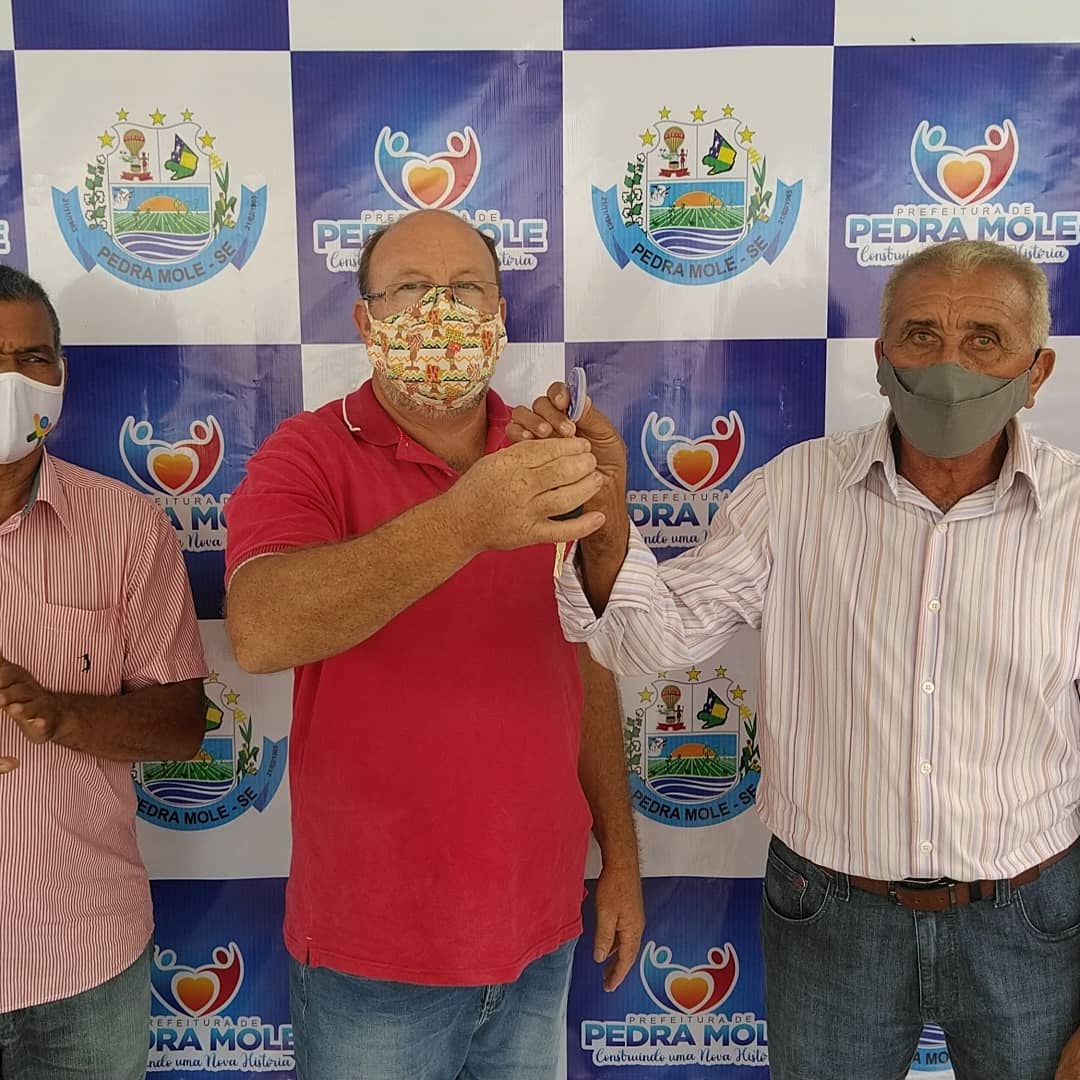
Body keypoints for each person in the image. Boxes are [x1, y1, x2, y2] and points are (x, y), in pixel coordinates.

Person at [510, 239, 1080, 1080]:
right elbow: (648, 639)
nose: (950, 367)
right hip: (832, 918)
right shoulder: (793, 492)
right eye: (921, 335)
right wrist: (606, 519)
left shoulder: (1074, 515)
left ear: (1038, 372)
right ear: (881, 360)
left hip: (1029, 917)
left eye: (985, 339)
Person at [223, 210, 644, 1080]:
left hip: (538, 931)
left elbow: (584, 664)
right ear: (365, 319)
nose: (439, 312)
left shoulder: (546, 457)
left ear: (500, 313)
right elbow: (260, 632)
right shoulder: (308, 454)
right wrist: (467, 520)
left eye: (465, 289)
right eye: (411, 290)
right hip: (374, 954)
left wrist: (622, 858)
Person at [0, 266, 208, 1079]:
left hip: (83, 958)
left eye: (32, 359)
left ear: (59, 375)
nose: (11, 381)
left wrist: (63, 714)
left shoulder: (125, 526)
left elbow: (182, 725)